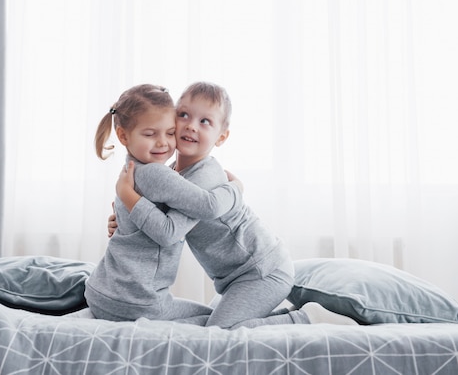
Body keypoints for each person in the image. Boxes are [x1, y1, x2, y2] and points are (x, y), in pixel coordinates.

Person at [114, 81, 358, 329]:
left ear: (221, 137)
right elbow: (155, 213)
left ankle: (307, 319)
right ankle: (291, 315)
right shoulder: (172, 175)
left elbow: (175, 225)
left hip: (261, 270)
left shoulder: (205, 176)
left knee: (220, 333)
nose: (190, 126)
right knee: (220, 322)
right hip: (236, 276)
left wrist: (236, 188)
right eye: (183, 115)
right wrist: (122, 220)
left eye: (204, 121)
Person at [84, 83, 244, 323]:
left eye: (170, 133)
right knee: (212, 322)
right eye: (150, 134)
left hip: (100, 291)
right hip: (138, 303)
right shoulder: (157, 174)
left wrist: (124, 214)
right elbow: (205, 207)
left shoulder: (132, 168)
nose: (162, 143)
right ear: (123, 135)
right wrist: (236, 188)